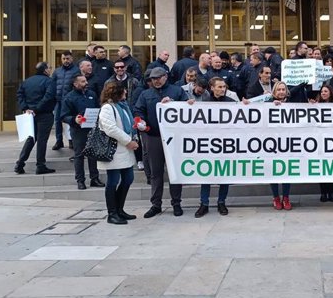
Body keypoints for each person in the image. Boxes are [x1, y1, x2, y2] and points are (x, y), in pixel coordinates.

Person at [134, 67, 189, 218]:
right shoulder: (146, 94)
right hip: (153, 136)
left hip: (174, 138)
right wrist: (140, 121)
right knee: (155, 172)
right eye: (153, 79)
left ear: (165, 77)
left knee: (174, 172)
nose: (156, 81)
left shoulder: (177, 91)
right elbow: (138, 111)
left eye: (158, 78)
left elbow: (187, 108)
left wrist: (172, 103)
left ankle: (176, 203)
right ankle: (155, 204)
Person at [192, 77, 237, 218]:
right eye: (219, 87)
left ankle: (221, 202)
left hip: (225, 145)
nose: (222, 89)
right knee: (206, 175)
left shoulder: (231, 103)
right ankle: (204, 204)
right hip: (209, 145)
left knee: (224, 175)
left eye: (224, 87)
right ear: (212, 88)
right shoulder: (204, 103)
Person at [97, 82, 139, 225]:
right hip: (114, 150)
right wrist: (128, 141)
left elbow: (127, 124)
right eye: (124, 91)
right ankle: (112, 213)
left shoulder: (122, 107)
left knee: (128, 179)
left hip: (124, 150)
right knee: (113, 181)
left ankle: (120, 209)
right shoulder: (107, 108)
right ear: (117, 92)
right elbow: (111, 129)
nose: (126, 94)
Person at [60, 74, 104, 190]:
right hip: (78, 130)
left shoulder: (92, 94)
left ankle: (94, 178)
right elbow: (64, 115)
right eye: (83, 81)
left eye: (86, 81)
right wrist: (74, 119)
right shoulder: (69, 97)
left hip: (92, 128)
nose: (86, 83)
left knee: (93, 154)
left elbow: (98, 108)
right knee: (79, 155)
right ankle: (80, 180)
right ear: (75, 84)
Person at [268, 81, 307, 210]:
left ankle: (286, 197)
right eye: (278, 90)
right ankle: (275, 197)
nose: (281, 92)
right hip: (272, 144)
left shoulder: (293, 104)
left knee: (286, 171)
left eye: (283, 89)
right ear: (274, 91)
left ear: (286, 91)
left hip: (288, 144)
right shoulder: (266, 104)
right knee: (273, 172)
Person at [14, 62, 57, 175]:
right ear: (45, 70)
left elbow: (20, 94)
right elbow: (48, 97)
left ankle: (20, 163)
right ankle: (40, 165)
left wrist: (25, 108)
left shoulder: (27, 81)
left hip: (30, 114)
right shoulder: (49, 81)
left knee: (31, 139)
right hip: (44, 114)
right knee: (42, 140)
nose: (50, 70)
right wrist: (37, 109)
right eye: (49, 68)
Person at [51, 51, 79, 150]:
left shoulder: (76, 71)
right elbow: (52, 84)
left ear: (72, 59)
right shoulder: (57, 71)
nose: (65, 61)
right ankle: (59, 141)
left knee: (70, 121)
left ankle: (71, 141)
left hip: (70, 101)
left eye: (67, 58)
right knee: (57, 121)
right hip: (58, 100)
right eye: (63, 59)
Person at [315, 85, 333, 202]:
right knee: (321, 168)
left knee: (331, 168)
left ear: (330, 93)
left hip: (332, 141)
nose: (323, 93)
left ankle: (331, 192)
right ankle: (323, 192)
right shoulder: (315, 106)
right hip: (319, 141)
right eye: (322, 91)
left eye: (325, 91)